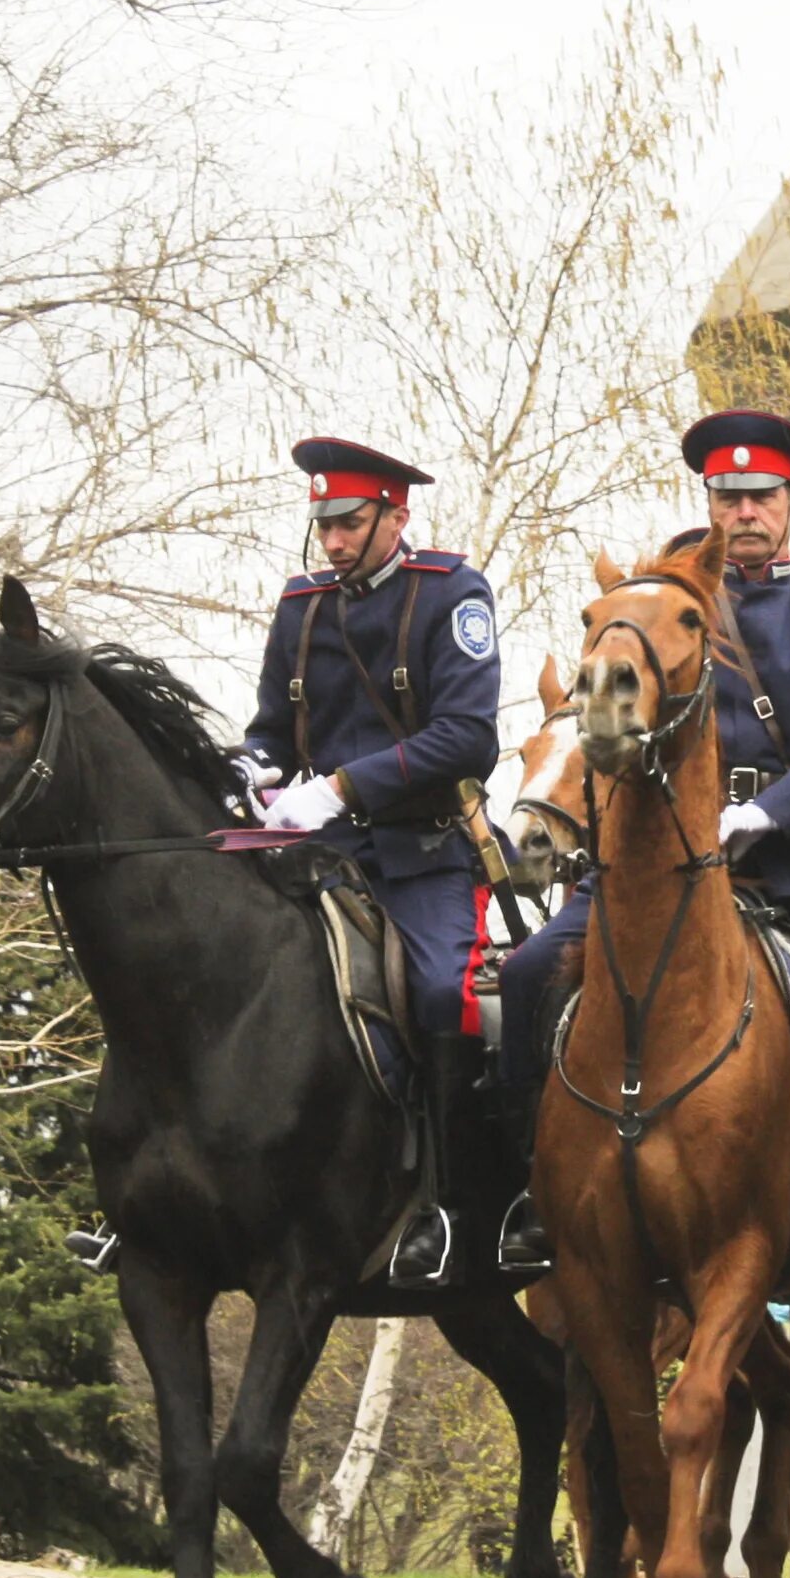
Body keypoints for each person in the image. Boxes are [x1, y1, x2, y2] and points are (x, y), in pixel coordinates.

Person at [495, 410, 790, 1283]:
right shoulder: (652, 606)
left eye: (761, 497)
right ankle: (533, 1191)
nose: (742, 512)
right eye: (727, 496)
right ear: (709, 500)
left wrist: (767, 811)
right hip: (653, 860)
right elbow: (604, 724)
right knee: (523, 978)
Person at [237, 437, 509, 1287]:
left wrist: (342, 788)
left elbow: (469, 737)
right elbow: (271, 730)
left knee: (442, 993)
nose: (335, 542)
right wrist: (254, 767)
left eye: (351, 523)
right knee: (212, 957)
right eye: (324, 526)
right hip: (324, 853)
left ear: (397, 513)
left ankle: (455, 1208)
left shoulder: (451, 594)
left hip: (424, 852)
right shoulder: (301, 605)